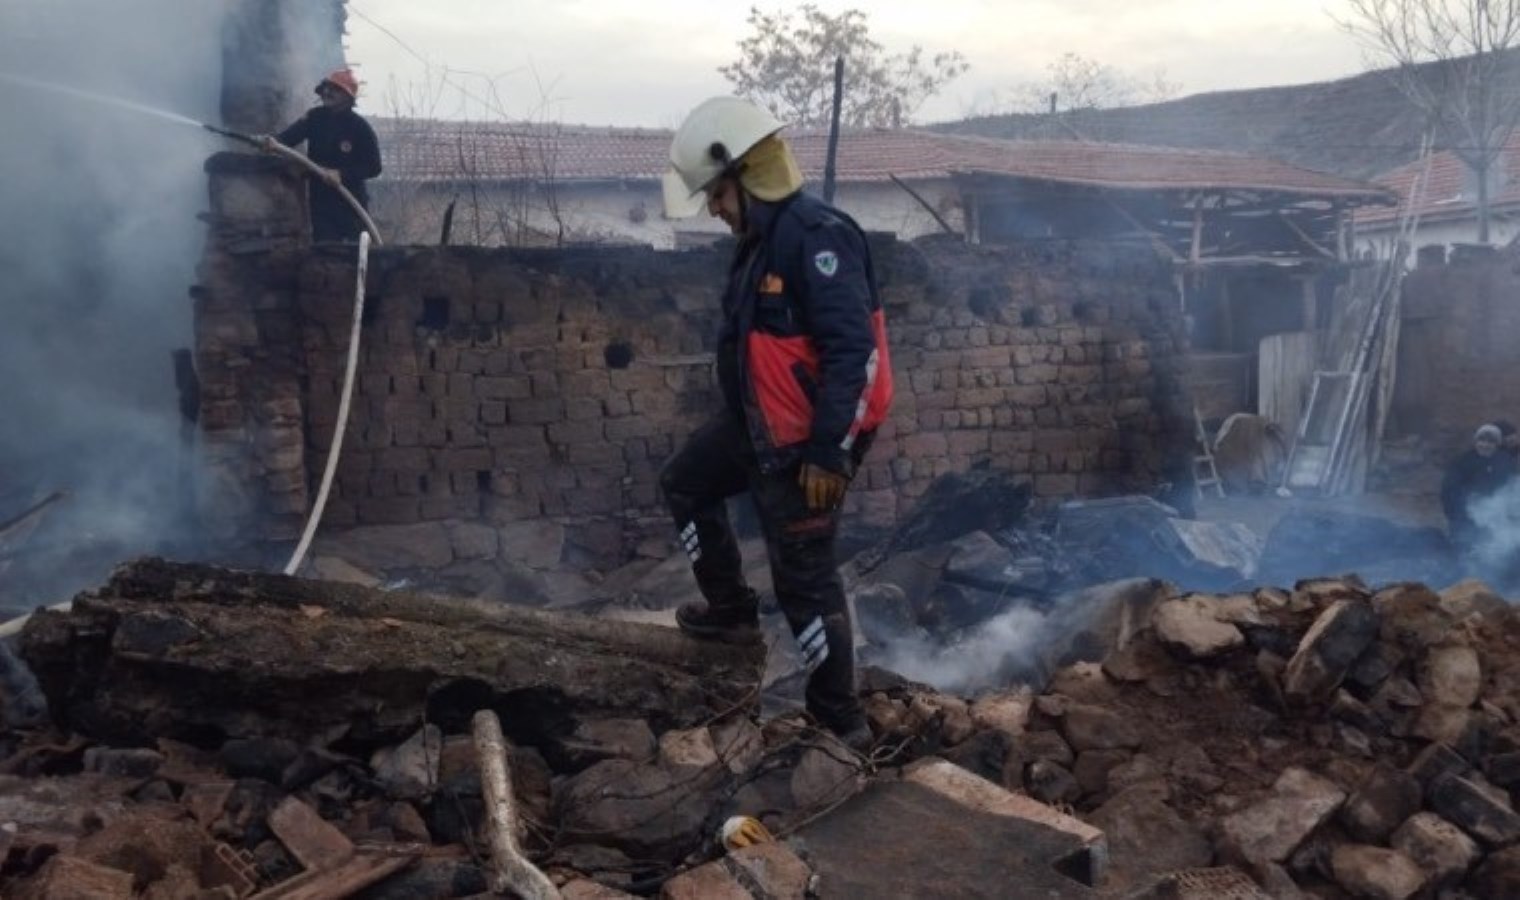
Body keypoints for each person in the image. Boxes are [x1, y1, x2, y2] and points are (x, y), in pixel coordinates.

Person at [658, 97, 893, 747]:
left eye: (718, 193)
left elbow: (855, 352)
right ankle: (732, 614)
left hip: (806, 445)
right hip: (761, 430)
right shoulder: (759, 241)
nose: (713, 208)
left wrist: (828, 451)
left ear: (749, 176)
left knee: (805, 579)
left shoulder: (819, 237)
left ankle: (841, 723)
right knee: (684, 483)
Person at [262, 68, 381, 242]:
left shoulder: (360, 128)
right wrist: (273, 143)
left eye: (335, 89)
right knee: (324, 254)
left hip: (351, 204)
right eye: (326, 88)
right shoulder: (314, 118)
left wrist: (341, 174)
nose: (327, 92)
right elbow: (287, 138)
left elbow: (374, 167)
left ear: (348, 97)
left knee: (355, 256)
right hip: (321, 203)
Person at [1440, 423, 1516, 553]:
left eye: (1490, 442)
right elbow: (1449, 491)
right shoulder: (1463, 461)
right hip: (1466, 519)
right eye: (1482, 440)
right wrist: (1459, 516)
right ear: (1476, 441)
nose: (1485, 445)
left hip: (1498, 521)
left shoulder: (1506, 462)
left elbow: (1513, 489)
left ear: (1497, 445)